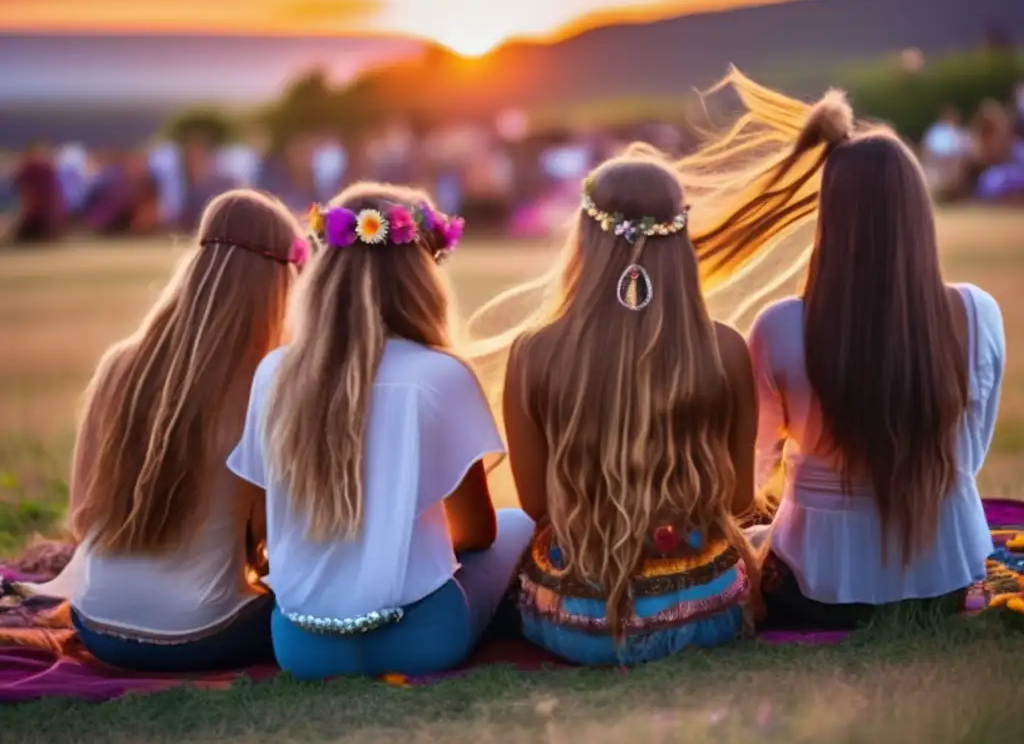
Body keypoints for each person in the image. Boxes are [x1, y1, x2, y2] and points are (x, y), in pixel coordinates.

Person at [682, 72, 1003, 628]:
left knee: (759, 535)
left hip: (816, 589)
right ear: (918, 216)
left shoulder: (782, 327)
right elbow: (968, 456)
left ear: (829, 216)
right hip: (946, 581)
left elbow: (754, 471)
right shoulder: (978, 313)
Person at [226, 182, 535, 680]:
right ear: (420, 278)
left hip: (300, 645)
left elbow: (267, 523)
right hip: (423, 638)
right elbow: (478, 531)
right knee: (517, 522)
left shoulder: (274, 374)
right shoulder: (439, 375)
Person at [471, 145, 760, 666]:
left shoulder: (534, 353)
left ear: (585, 237)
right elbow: (739, 498)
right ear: (681, 237)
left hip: (573, 619)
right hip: (706, 612)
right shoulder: (725, 348)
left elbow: (538, 508)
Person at [67, 190, 309, 672]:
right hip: (200, 634)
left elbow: (81, 517)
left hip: (92, 622)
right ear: (278, 283)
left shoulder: (119, 365)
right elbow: (275, 543)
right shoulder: (269, 386)